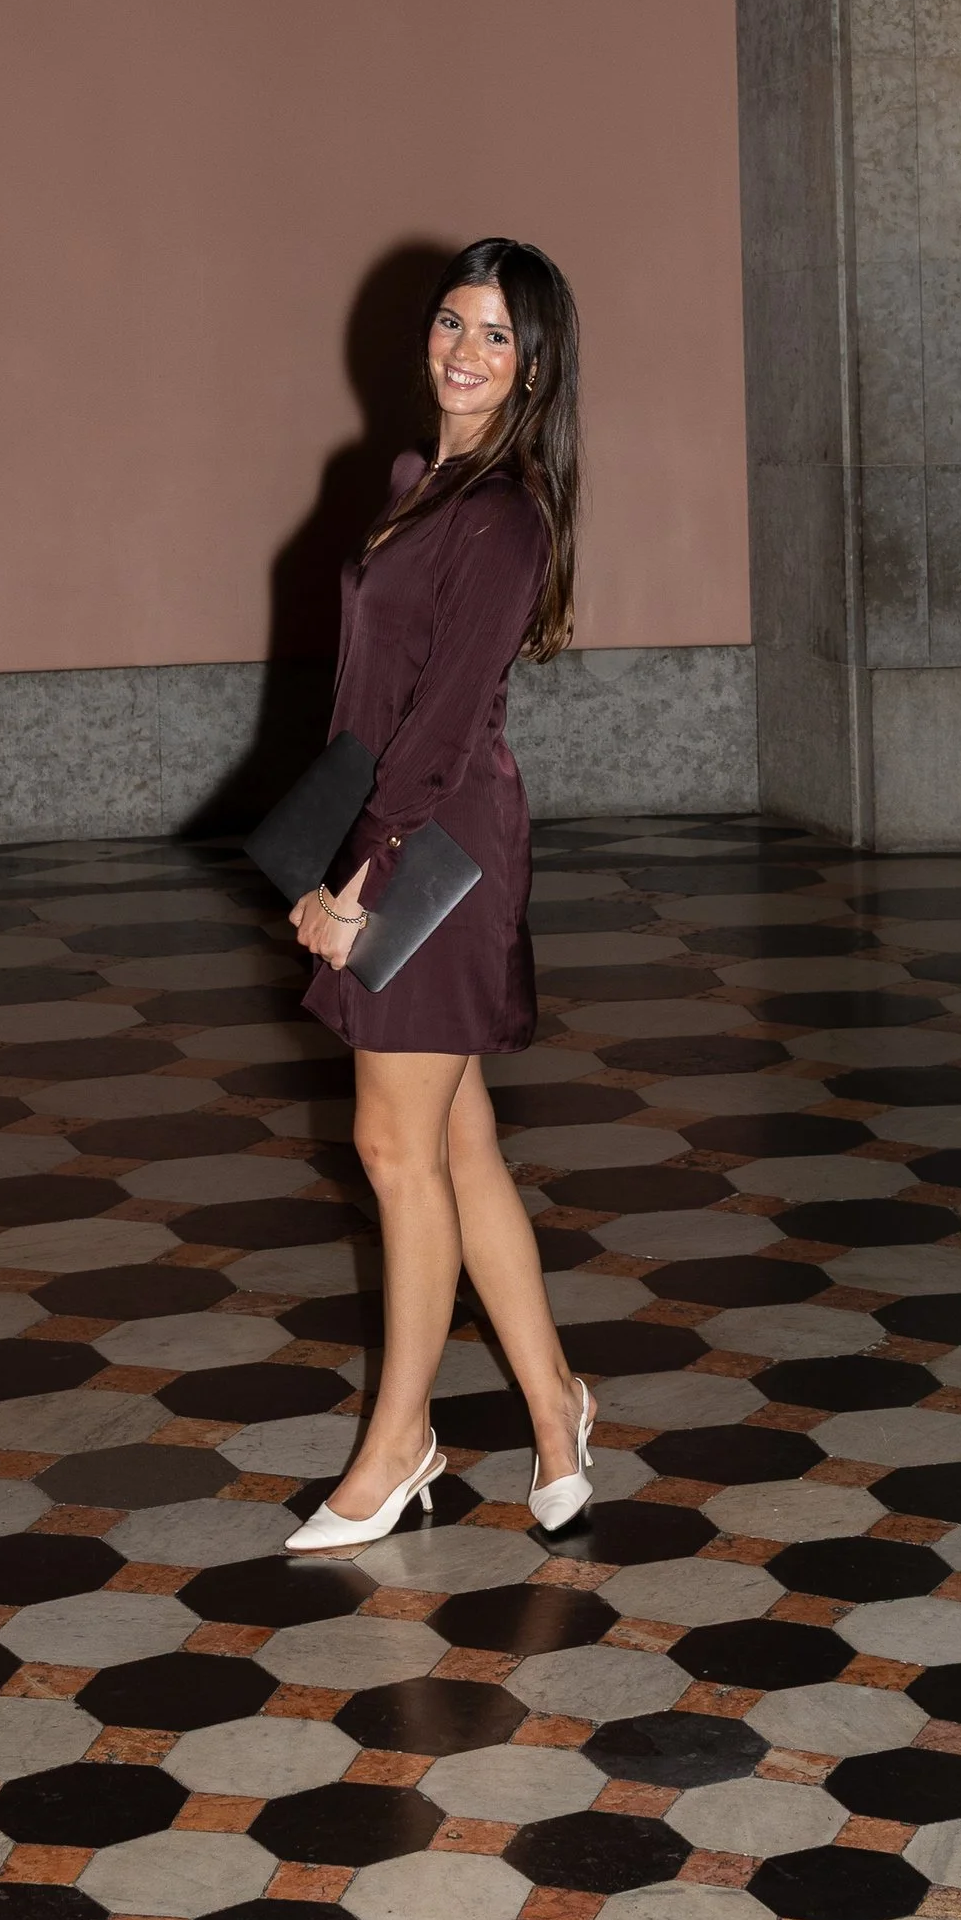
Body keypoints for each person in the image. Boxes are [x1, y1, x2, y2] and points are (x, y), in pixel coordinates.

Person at [283, 238, 595, 1549]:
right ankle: (557, 1408)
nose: (465, 349)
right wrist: (318, 845)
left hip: (440, 848)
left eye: (499, 336)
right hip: (395, 826)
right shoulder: (420, 482)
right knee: (457, 1143)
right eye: (454, 321)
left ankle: (402, 1440)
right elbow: (369, 694)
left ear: (533, 371)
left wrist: (359, 874)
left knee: (391, 1146)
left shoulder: (508, 511)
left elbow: (447, 719)